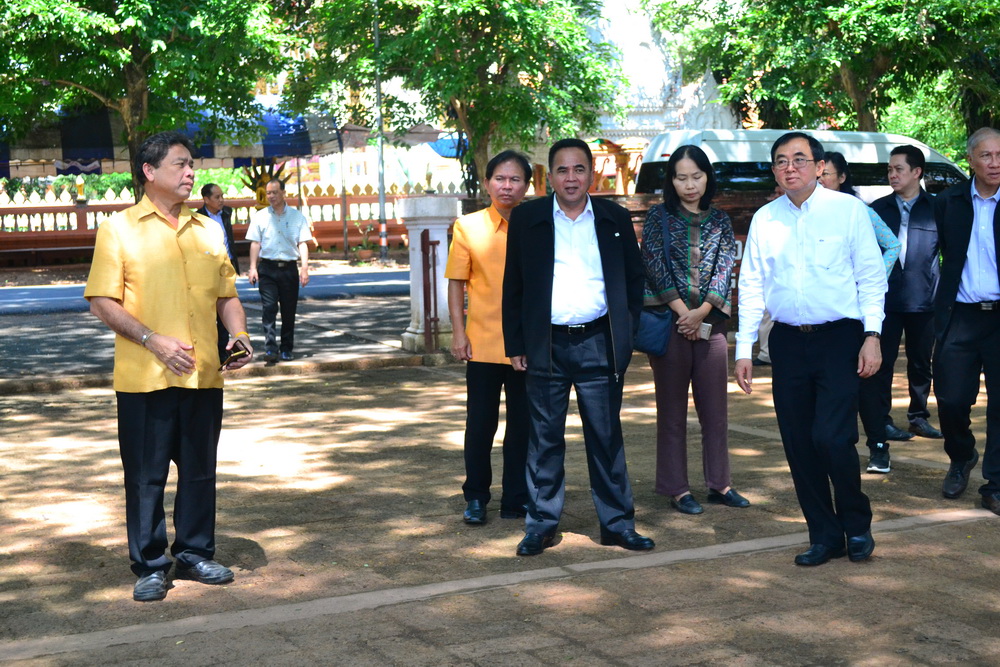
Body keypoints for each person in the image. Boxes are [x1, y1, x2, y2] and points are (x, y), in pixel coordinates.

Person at [85, 131, 253, 601]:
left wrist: (239, 334)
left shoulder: (208, 230)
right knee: (146, 476)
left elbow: (226, 296)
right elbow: (101, 301)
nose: (190, 172)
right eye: (180, 164)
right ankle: (150, 565)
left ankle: (196, 552)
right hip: (145, 378)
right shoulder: (118, 229)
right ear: (149, 171)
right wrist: (151, 339)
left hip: (203, 374)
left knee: (200, 470)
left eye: (191, 164)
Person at [735, 132, 887, 566]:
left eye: (799, 159)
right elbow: (752, 284)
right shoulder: (766, 219)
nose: (790, 168)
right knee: (799, 444)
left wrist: (872, 335)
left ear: (820, 167)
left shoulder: (848, 210)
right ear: (774, 170)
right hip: (787, 341)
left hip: (840, 338)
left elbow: (871, 276)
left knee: (833, 438)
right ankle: (824, 535)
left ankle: (857, 524)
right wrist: (744, 347)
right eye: (781, 161)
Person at [502, 138, 653, 556]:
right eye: (562, 170)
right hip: (545, 344)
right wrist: (516, 342)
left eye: (579, 169)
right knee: (544, 439)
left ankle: (618, 524)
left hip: (599, 343)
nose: (571, 178)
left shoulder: (613, 217)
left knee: (606, 437)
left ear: (592, 174)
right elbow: (513, 285)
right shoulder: (528, 218)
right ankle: (541, 525)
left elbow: (634, 279)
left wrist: (626, 332)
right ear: (549, 176)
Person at [640, 144, 747, 515]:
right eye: (682, 177)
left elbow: (724, 268)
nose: (690, 185)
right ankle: (677, 488)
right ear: (671, 181)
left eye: (696, 177)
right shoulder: (658, 218)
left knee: (715, 412)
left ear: (707, 178)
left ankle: (720, 484)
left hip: (710, 326)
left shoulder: (720, 220)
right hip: (669, 326)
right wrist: (684, 314)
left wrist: (700, 313)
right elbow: (654, 265)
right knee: (672, 413)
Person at [446, 151, 532, 525]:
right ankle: (477, 497)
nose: (507, 186)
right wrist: (458, 332)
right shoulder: (468, 226)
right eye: (500, 178)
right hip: (481, 342)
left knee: (523, 427)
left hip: (525, 346)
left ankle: (516, 498)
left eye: (515, 180)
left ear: (527, 186)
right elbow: (456, 283)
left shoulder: (538, 226)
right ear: (486, 183)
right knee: (480, 425)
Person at [858, 146, 944, 473]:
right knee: (882, 363)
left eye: (898, 169)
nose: (892, 175)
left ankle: (918, 416)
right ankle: (882, 421)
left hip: (925, 298)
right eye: (890, 170)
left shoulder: (937, 207)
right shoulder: (877, 209)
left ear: (916, 172)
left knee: (922, 362)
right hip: (887, 301)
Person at [933, 127, 1000, 514]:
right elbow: (944, 250)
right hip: (960, 314)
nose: (995, 163)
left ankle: (996, 484)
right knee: (952, 398)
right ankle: (961, 456)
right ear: (971, 160)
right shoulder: (949, 201)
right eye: (986, 155)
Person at [246, 179, 311, 362]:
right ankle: (270, 348)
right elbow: (255, 243)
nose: (271, 196)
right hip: (267, 268)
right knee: (269, 307)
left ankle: (286, 348)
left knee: (289, 310)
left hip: (289, 269)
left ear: (283, 193)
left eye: (275, 192)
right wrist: (252, 268)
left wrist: (304, 268)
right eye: (268, 193)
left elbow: (302, 243)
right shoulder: (260, 216)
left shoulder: (297, 217)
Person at [197, 183, 242, 363]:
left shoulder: (227, 213)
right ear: (206, 199)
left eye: (222, 196)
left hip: (227, 266)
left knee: (227, 306)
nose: (221, 200)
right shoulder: (198, 217)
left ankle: (224, 350)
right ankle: (210, 350)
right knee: (209, 310)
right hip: (208, 269)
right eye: (217, 197)